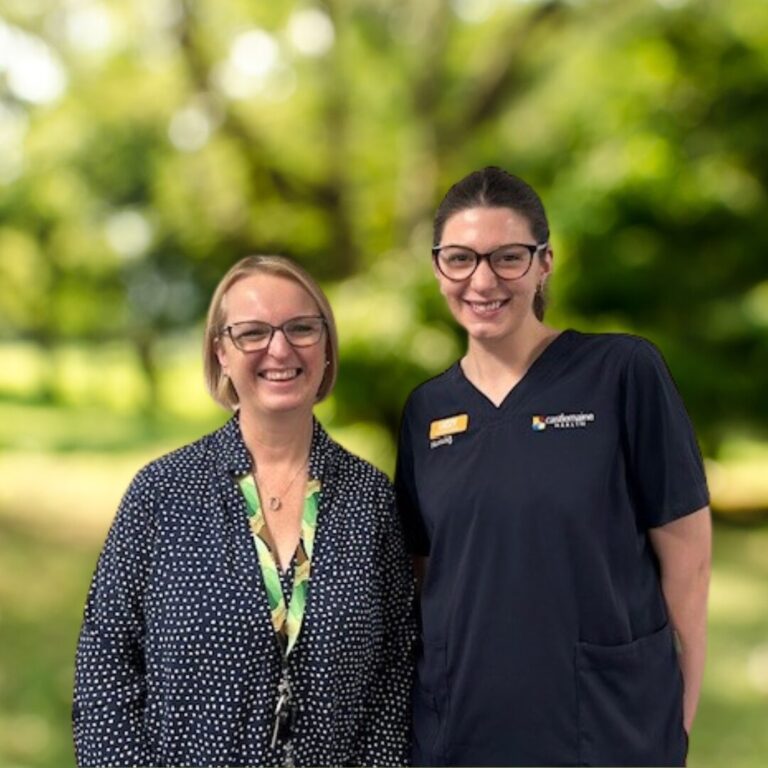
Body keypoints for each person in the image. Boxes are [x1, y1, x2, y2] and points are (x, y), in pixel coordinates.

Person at [395, 167, 712, 767]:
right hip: (461, 733)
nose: (483, 280)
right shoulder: (425, 411)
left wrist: (675, 728)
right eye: (459, 258)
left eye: (508, 257)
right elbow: (428, 579)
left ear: (544, 263)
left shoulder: (622, 372)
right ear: (438, 268)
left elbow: (690, 572)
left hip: (605, 729)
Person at [73, 255, 416, 767]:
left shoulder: (370, 500)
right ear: (222, 353)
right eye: (252, 332)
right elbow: (106, 673)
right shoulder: (161, 494)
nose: (280, 348)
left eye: (301, 328)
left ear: (325, 347)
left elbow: (394, 678)